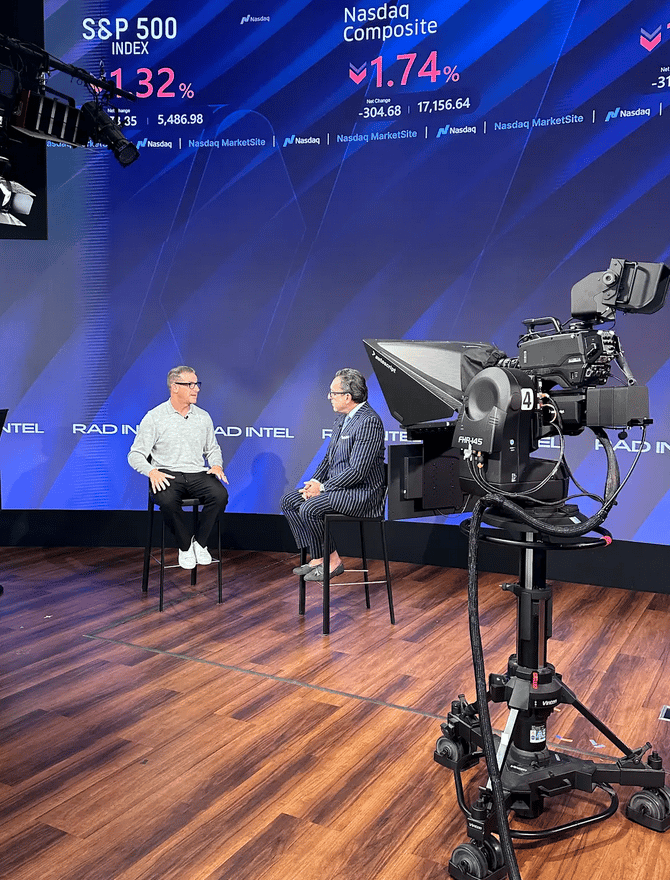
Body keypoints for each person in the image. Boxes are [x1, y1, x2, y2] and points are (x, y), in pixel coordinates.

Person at [281, 368, 385, 582]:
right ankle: (319, 557)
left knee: (310, 508)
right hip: (338, 489)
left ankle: (333, 561)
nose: (329, 397)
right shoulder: (342, 419)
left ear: (347, 396)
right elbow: (328, 459)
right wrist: (314, 482)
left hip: (361, 494)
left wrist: (323, 488)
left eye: (333, 393)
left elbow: (357, 471)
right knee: (290, 501)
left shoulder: (369, 422)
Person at [128, 366, 229, 569]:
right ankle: (185, 545)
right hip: (167, 474)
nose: (197, 389)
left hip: (197, 473)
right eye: (191, 385)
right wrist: (151, 471)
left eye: (197, 384)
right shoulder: (155, 417)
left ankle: (200, 544)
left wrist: (217, 465)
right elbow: (135, 454)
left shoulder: (203, 417)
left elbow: (212, 449)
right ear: (174, 387)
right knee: (166, 500)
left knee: (220, 495)